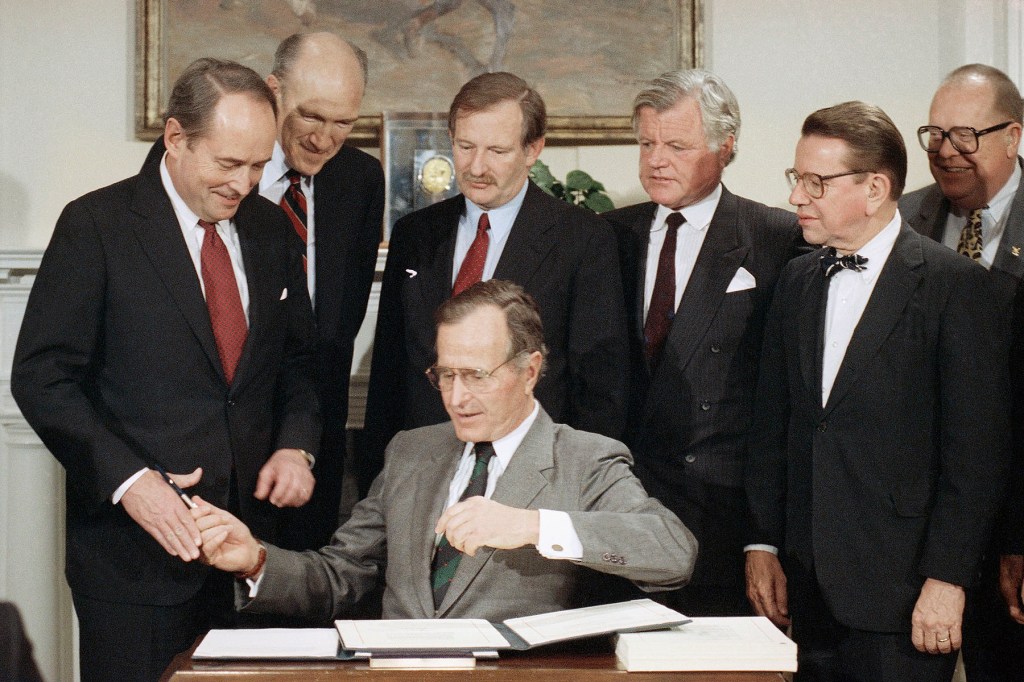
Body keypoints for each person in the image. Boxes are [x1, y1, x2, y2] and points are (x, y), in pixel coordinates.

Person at [10, 58, 320, 682]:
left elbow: (302, 360)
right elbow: (42, 377)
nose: (245, 183)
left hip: (253, 552)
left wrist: (297, 446)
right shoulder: (95, 226)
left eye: (259, 165)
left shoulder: (270, 229)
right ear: (176, 139)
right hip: (134, 564)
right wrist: (132, 482)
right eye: (228, 164)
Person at [193, 279, 697, 623]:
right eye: (446, 375)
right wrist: (255, 561)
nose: (456, 398)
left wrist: (532, 526)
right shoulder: (412, 451)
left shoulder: (585, 459)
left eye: (476, 375)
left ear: (529, 370)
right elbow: (342, 575)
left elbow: (673, 553)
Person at [745, 101, 1011, 681]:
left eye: (816, 182)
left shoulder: (955, 288)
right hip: (806, 596)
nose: (796, 197)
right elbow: (775, 425)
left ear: (875, 188)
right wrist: (761, 543)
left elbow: (976, 455)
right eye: (797, 179)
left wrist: (948, 579)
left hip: (904, 598)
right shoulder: (796, 281)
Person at [360, 71, 628, 495]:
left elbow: (599, 389)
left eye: (497, 150)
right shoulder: (415, 234)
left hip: (530, 483)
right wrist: (375, 485)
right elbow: (390, 376)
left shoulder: (582, 239)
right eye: (465, 147)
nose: (477, 167)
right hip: (420, 477)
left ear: (532, 149)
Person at [604, 69, 803, 617]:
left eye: (676, 145)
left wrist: (764, 539)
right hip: (613, 523)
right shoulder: (606, 236)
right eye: (646, 143)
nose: (655, 160)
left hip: (719, 526)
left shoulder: (778, 240)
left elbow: (784, 409)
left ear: (726, 144)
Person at [899, 64, 1024, 681]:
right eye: (935, 135)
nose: (946, 153)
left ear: (1014, 136)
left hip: (1014, 531)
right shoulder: (896, 221)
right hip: (911, 533)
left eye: (966, 137)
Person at [260, 32, 385, 551]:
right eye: (312, 117)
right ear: (273, 93)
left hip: (315, 447)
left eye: (344, 123)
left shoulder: (360, 180)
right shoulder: (211, 165)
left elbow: (337, 331)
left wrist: (306, 440)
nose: (325, 139)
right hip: (220, 437)